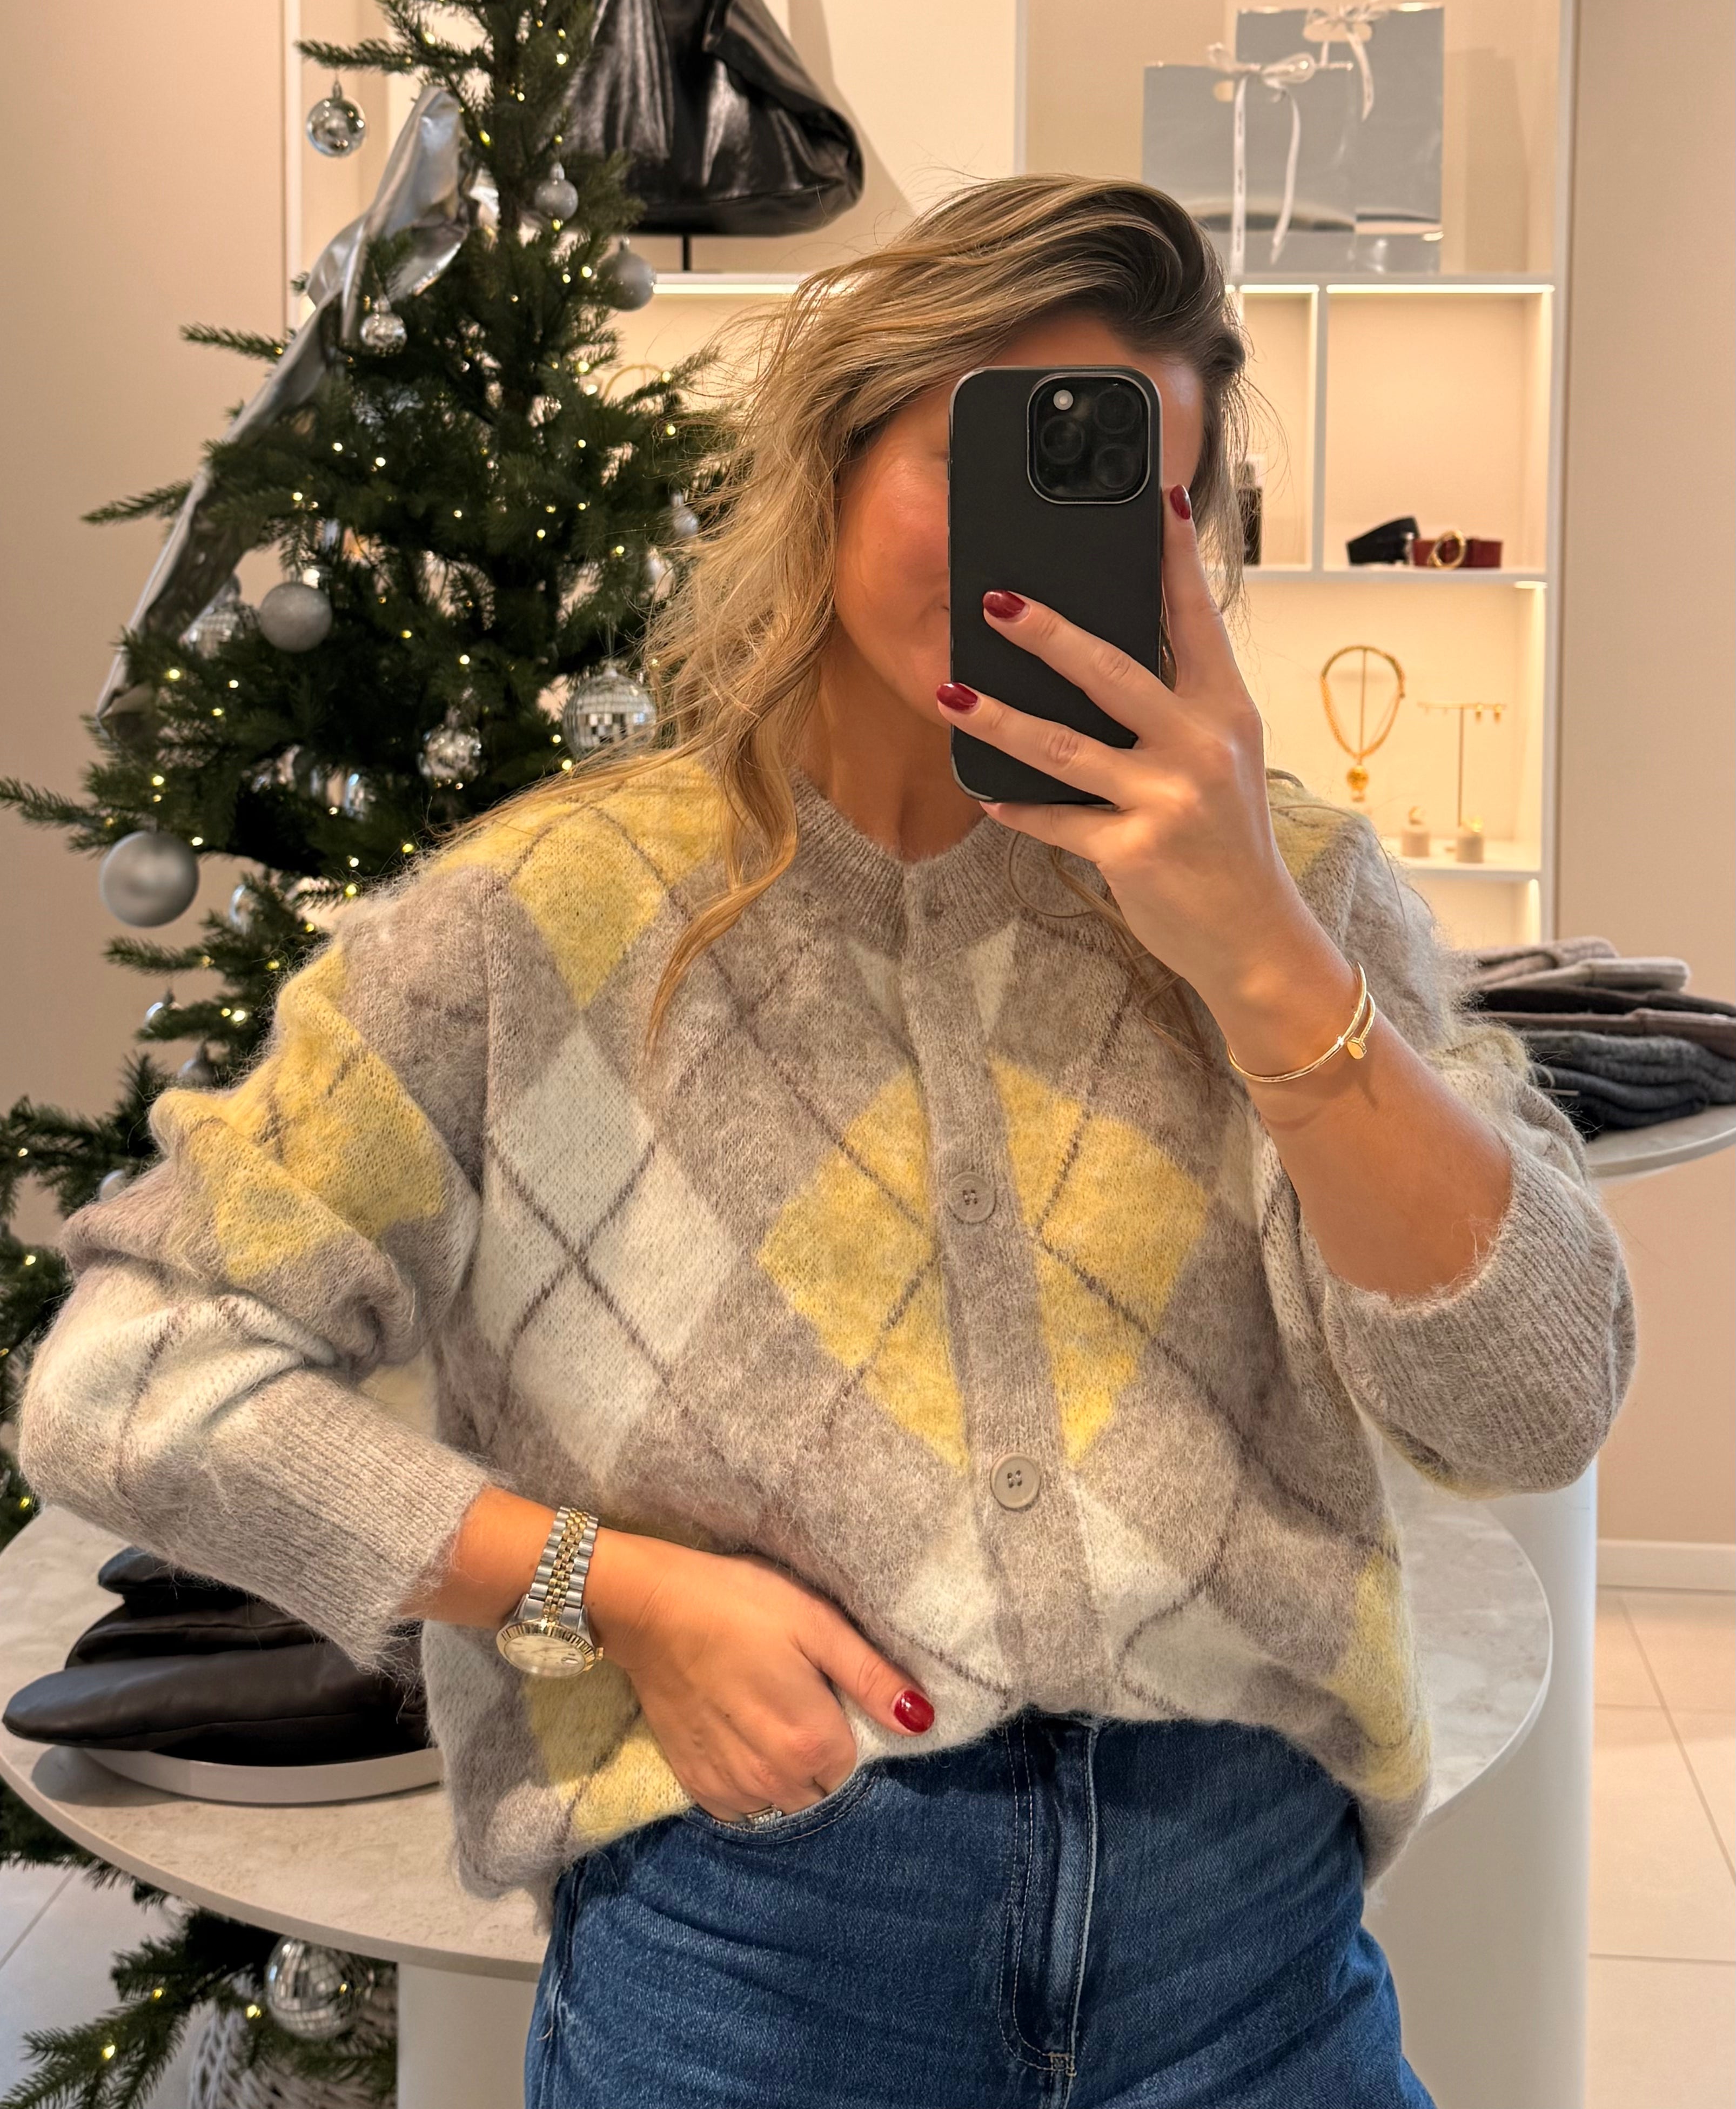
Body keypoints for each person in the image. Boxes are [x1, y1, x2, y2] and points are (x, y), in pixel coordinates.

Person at [22, 177, 1634, 2109]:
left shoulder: (1292, 888)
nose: (1045, 546)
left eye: (1132, 495)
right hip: (754, 1963)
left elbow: (1534, 1405)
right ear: (835, 458)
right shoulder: (539, 923)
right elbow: (124, 1382)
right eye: (982, 456)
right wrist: (604, 1589)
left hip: (1249, 1955)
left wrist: (1267, 962)